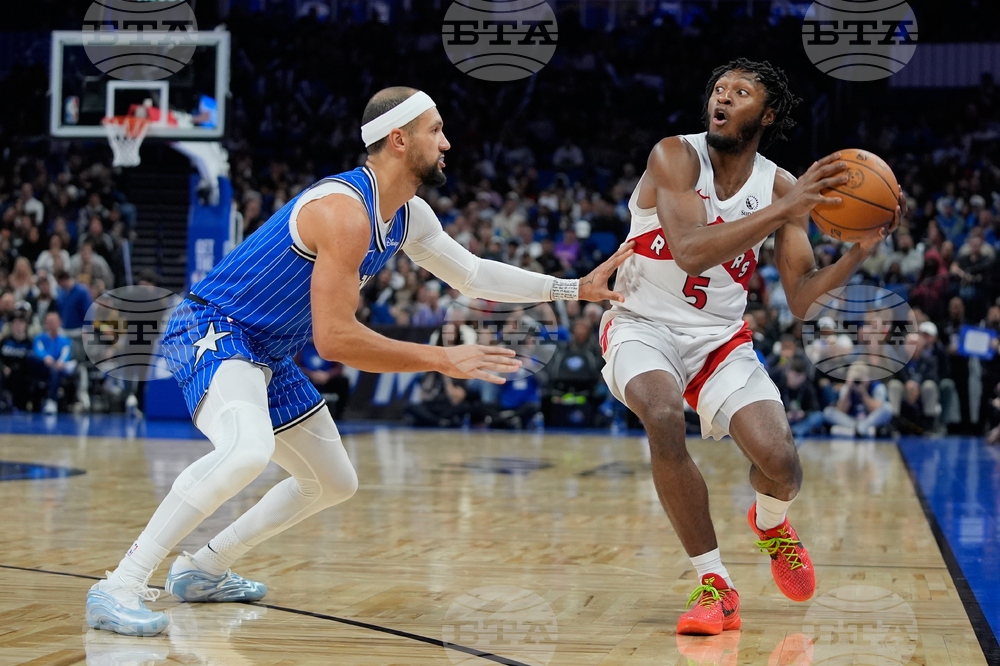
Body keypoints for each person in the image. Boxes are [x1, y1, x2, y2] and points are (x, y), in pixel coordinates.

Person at [85, 86, 634, 637]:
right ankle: (120, 584)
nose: (447, 142)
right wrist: (440, 358)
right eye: (435, 130)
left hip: (267, 350)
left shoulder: (407, 216)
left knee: (331, 481)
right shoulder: (344, 212)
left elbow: (472, 275)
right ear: (399, 140)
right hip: (214, 329)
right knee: (246, 450)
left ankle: (205, 567)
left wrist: (572, 288)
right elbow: (335, 340)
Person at [597, 58, 902, 635]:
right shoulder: (675, 155)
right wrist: (787, 208)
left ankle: (771, 522)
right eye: (719, 89)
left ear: (767, 115)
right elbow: (690, 251)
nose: (722, 97)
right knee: (662, 413)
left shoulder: (781, 186)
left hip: (719, 339)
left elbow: (802, 299)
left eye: (740, 92)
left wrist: (859, 251)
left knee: (782, 465)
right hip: (642, 323)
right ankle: (715, 584)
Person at [33, 311, 76, 414]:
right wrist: (46, 358)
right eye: (49, 322)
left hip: (58, 368)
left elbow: (66, 353)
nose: (51, 324)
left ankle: (52, 401)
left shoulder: (65, 340)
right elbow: (38, 350)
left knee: (55, 371)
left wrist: (61, 362)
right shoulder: (40, 338)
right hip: (43, 367)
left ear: (59, 322)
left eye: (53, 321)